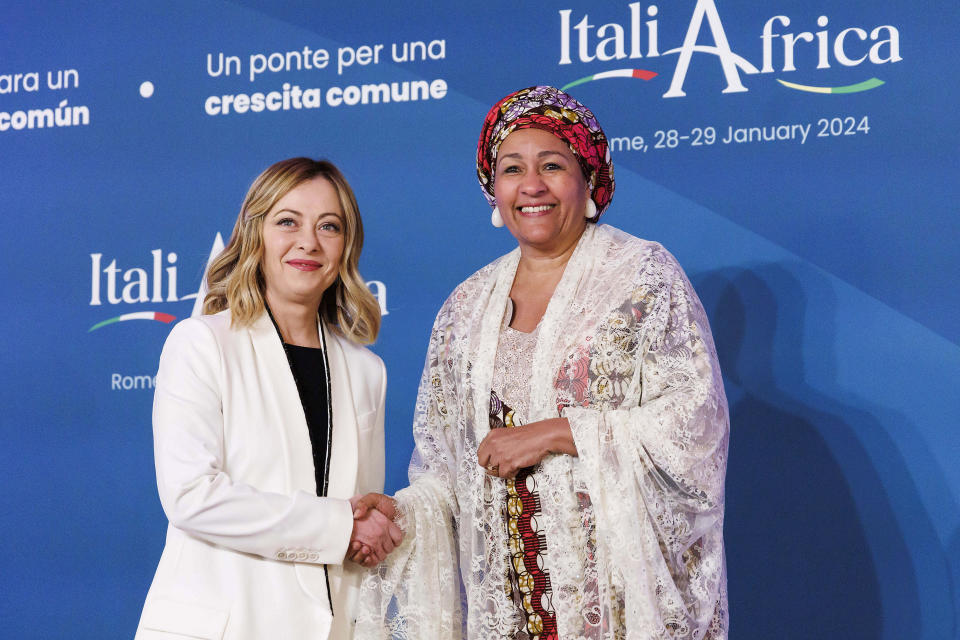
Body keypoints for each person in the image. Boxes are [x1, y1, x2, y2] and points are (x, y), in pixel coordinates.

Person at [354, 86, 729, 639]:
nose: (531, 185)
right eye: (512, 169)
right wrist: (399, 516)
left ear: (588, 179)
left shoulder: (643, 277)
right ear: (492, 188)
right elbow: (442, 466)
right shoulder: (465, 306)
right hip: (508, 604)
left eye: (552, 165)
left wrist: (558, 432)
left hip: (614, 604)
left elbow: (696, 429)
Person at [135, 158, 402, 640]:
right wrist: (339, 526)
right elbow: (191, 496)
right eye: (287, 222)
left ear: (346, 247)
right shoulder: (201, 343)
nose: (308, 242)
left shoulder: (367, 373)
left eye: (329, 226)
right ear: (255, 234)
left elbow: (359, 525)